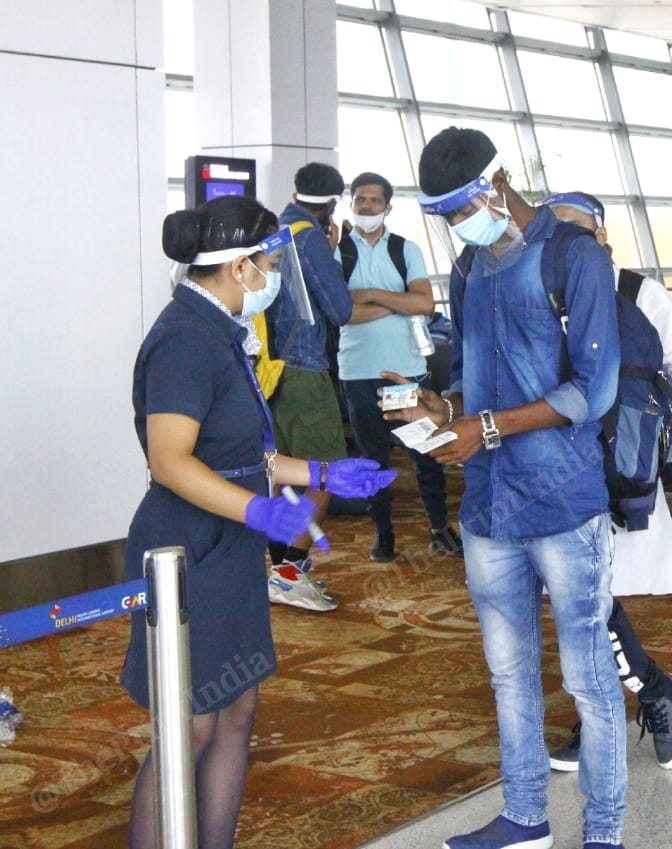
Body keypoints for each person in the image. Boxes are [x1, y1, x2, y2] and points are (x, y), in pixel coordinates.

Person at [123, 196, 394, 849]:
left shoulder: (220, 330)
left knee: (236, 707)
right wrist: (257, 508)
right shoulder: (186, 338)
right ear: (239, 267)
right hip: (188, 549)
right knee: (190, 725)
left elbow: (246, 451)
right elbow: (169, 461)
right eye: (268, 262)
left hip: (229, 542)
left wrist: (322, 474)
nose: (272, 275)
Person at [397, 127, 628, 849]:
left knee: (588, 677)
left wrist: (487, 428)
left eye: (462, 208)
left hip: (562, 501)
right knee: (508, 673)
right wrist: (445, 412)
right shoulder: (471, 269)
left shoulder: (574, 257)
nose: (457, 226)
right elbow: (473, 373)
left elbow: (595, 388)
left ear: (498, 185)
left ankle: (603, 830)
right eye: (443, 216)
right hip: (490, 506)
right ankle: (526, 816)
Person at [541, 190, 672, 772]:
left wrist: (640, 431)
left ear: (603, 239)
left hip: (617, 473)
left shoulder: (638, 294)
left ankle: (652, 693)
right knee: (576, 600)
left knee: (589, 597)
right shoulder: (537, 295)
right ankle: (619, 707)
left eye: (576, 233)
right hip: (550, 471)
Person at [336, 171, 462, 562]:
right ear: (351, 204)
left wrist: (369, 296)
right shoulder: (338, 253)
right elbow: (340, 312)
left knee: (425, 453)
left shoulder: (405, 250)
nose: (367, 206)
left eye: (375, 200)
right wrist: (396, 300)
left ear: (388, 207)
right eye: (360, 200)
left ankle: (440, 528)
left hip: (405, 373)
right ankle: (383, 533)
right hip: (358, 372)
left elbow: (424, 305)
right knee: (372, 459)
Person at [266, 162, 354, 611]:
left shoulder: (274, 229)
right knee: (325, 474)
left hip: (272, 372)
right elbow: (339, 309)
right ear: (333, 202)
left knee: (283, 476)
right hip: (305, 370)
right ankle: (287, 573)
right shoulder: (309, 238)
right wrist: (333, 254)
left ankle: (280, 568)